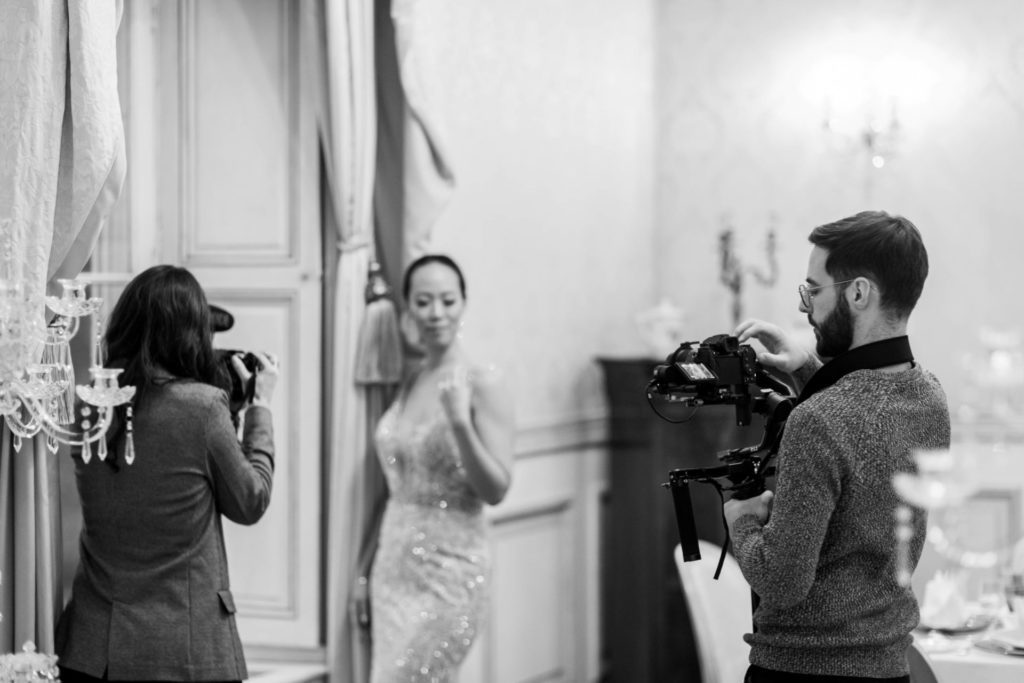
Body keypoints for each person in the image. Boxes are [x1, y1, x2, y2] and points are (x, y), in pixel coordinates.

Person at [724, 211, 951, 682]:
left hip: (801, 671)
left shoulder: (820, 421)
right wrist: (806, 364)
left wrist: (741, 522)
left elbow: (782, 583)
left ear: (858, 292)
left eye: (813, 289)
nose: (807, 307)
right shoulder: (929, 397)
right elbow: (862, 430)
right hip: (890, 669)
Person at [55, 265, 280, 682]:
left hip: (93, 650)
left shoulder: (89, 405)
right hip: (185, 654)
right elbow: (250, 501)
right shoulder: (203, 408)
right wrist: (259, 408)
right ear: (193, 332)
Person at [368, 254, 514, 683]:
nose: (437, 313)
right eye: (424, 301)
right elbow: (395, 487)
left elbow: (497, 489)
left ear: (463, 303)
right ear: (408, 308)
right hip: (392, 570)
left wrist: (459, 423)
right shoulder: (411, 379)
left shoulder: (484, 383)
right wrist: (363, 568)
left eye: (448, 301)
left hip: (452, 573)